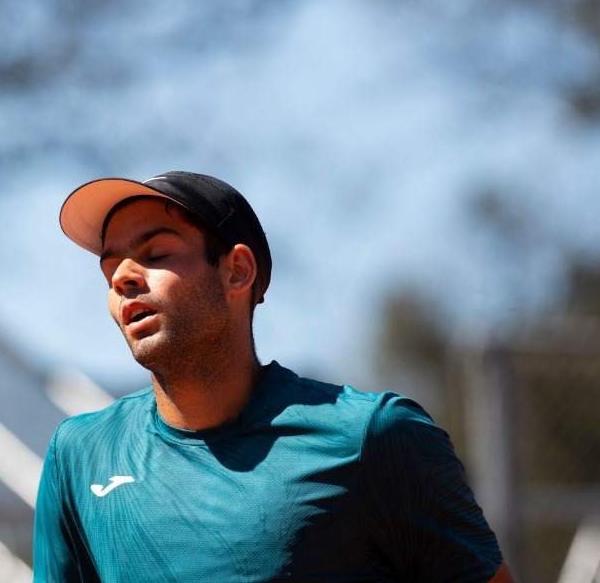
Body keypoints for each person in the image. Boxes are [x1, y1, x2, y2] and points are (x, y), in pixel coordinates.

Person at [34, 171, 514, 582]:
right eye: (110, 267)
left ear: (237, 272)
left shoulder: (376, 436)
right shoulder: (79, 455)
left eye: (157, 253)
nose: (123, 278)